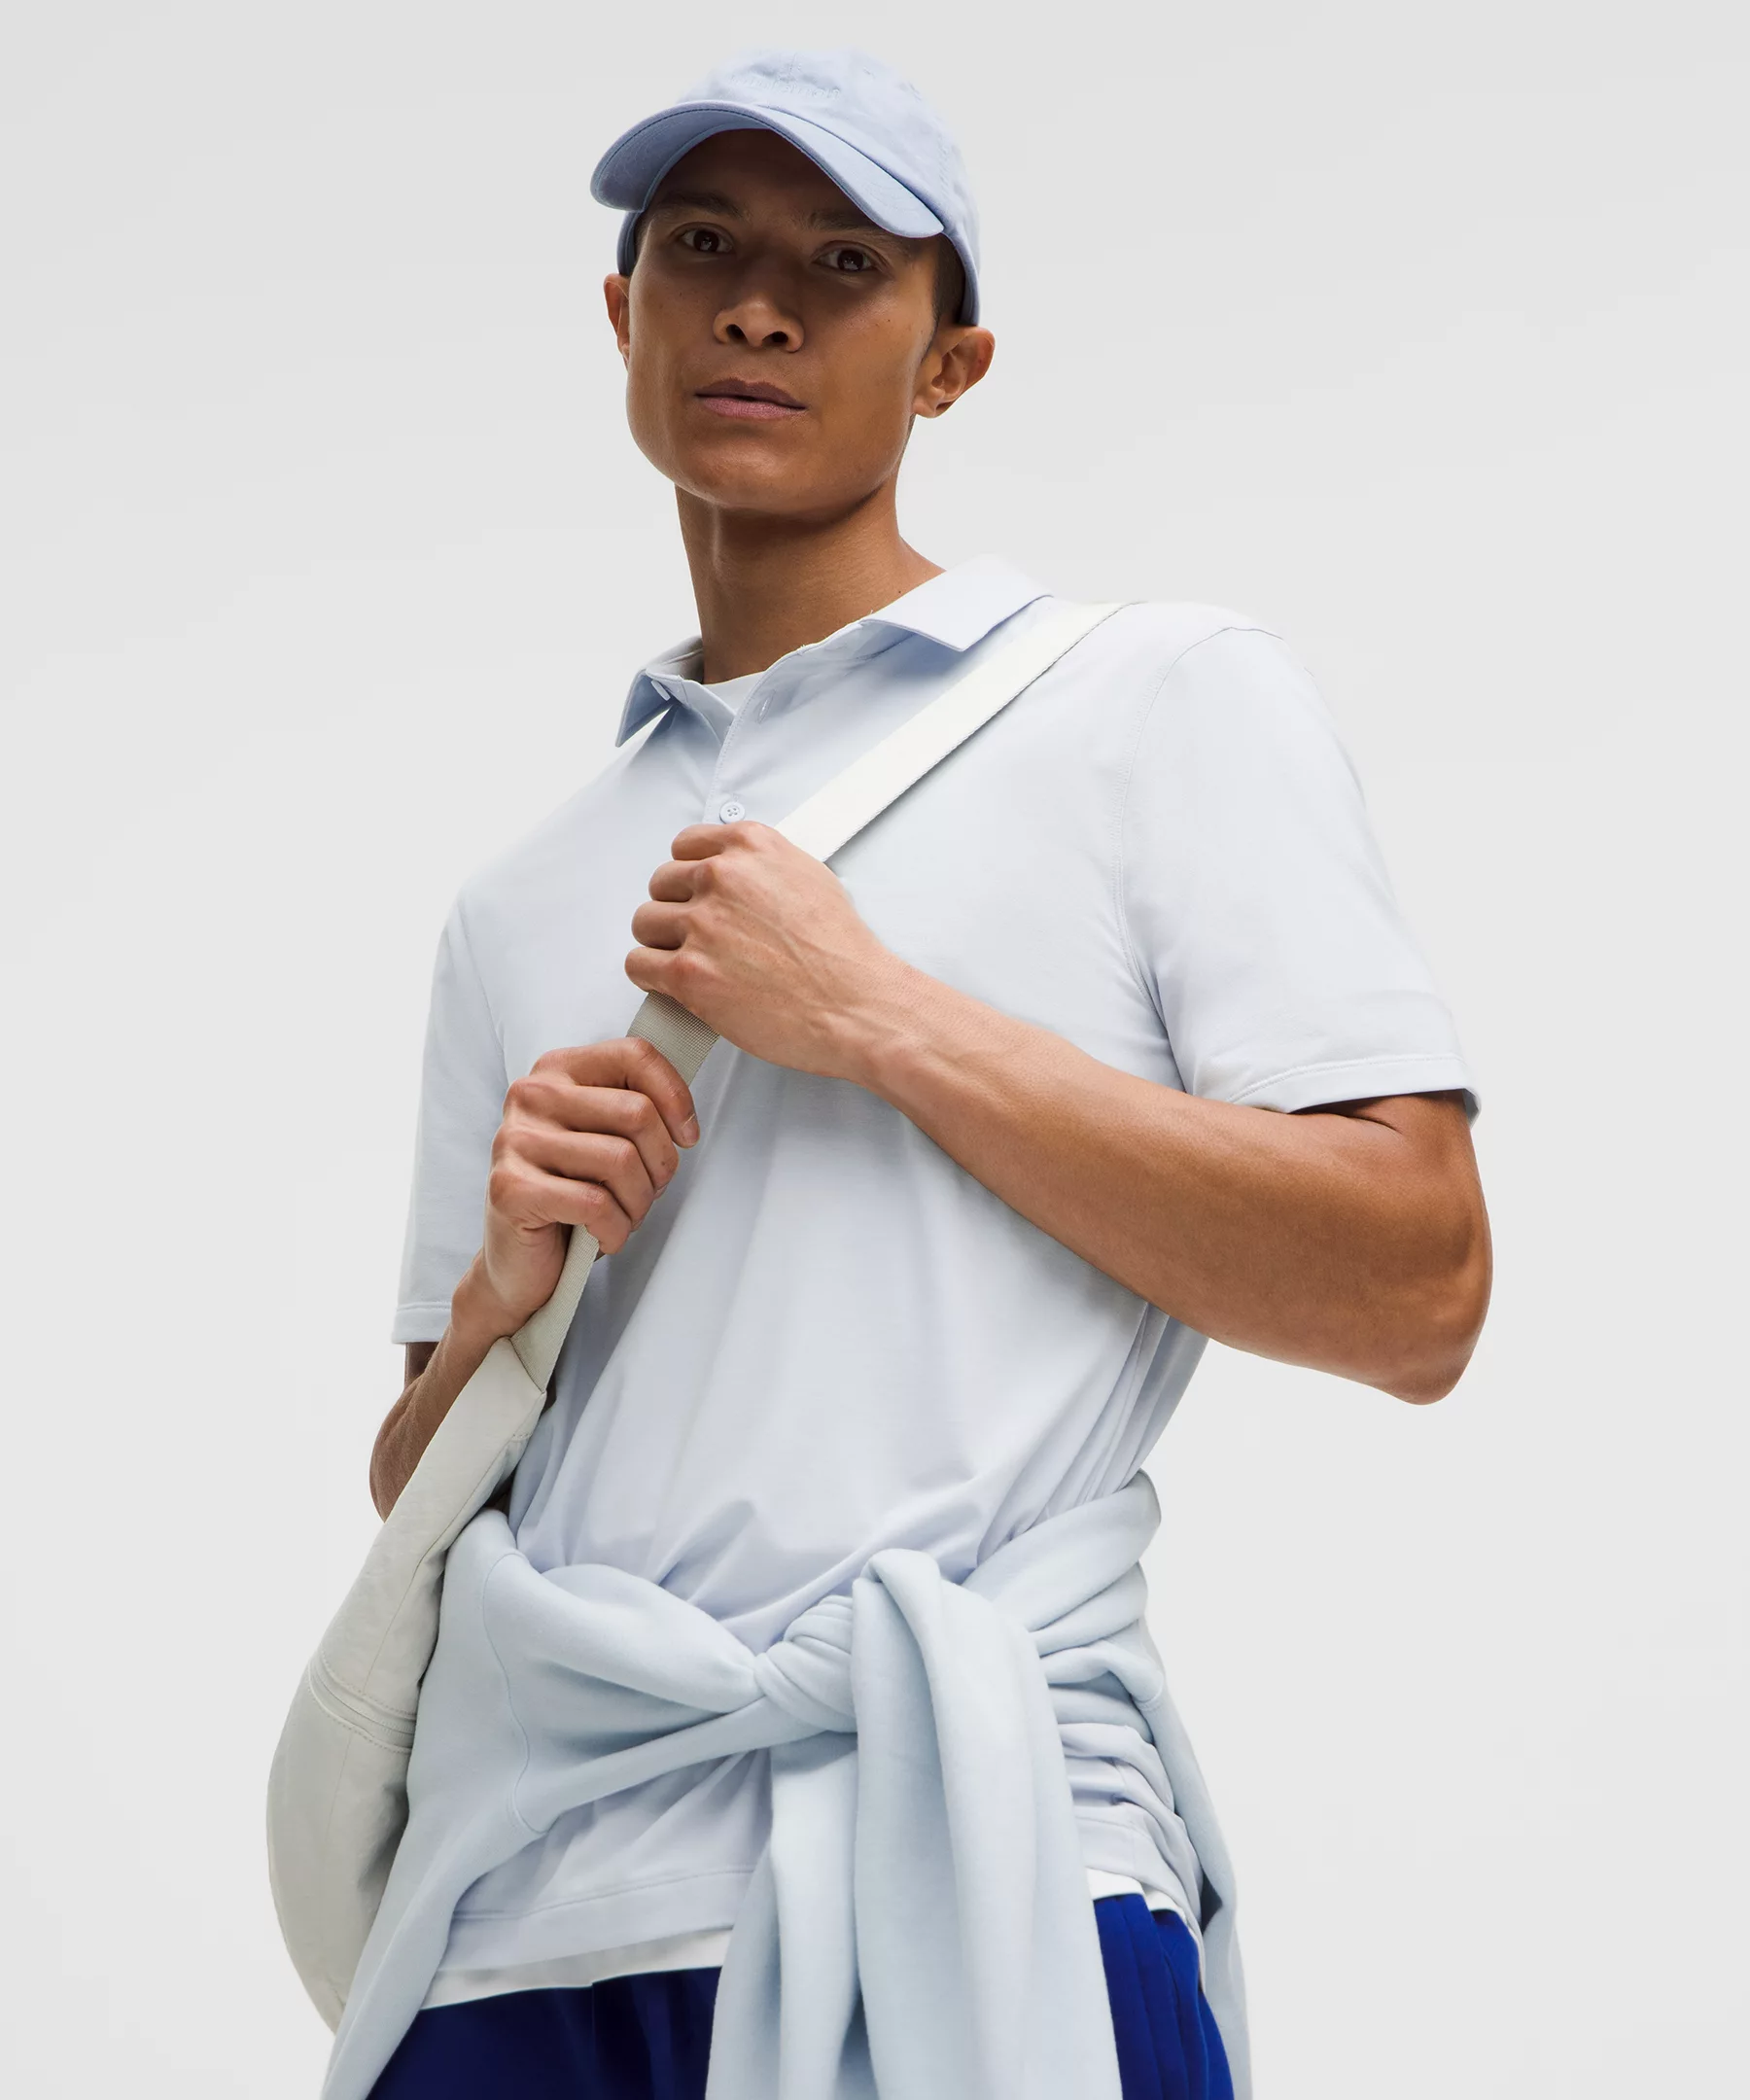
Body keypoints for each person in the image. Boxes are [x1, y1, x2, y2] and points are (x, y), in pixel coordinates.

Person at [358, 47, 1488, 2100]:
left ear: (951, 362)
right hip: (524, 1915)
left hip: (984, 1866)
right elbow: (421, 1499)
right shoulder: (516, 901)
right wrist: (498, 1305)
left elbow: (1417, 1286)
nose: (758, 308)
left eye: (843, 264)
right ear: (622, 315)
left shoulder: (1154, 705)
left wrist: (877, 1017)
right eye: (703, 247)